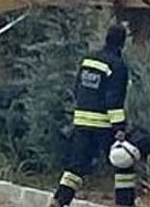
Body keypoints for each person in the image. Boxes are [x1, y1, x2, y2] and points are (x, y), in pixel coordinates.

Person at [50, 24, 134, 207]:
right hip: (103, 125)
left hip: (82, 122)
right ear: (123, 43)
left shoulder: (88, 60)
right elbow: (114, 100)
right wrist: (119, 128)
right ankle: (125, 204)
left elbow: (77, 88)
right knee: (123, 162)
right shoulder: (118, 66)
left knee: (76, 166)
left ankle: (59, 201)